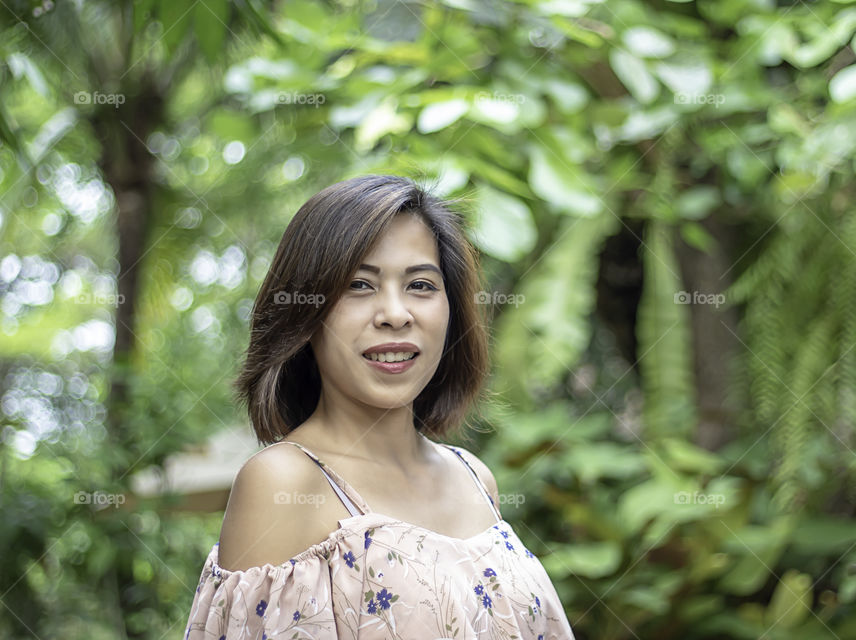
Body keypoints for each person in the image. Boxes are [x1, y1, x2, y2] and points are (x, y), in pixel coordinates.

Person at [182, 175, 575, 639]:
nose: (395, 313)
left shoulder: (473, 475)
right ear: (308, 314)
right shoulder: (284, 482)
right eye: (359, 285)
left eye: (421, 285)